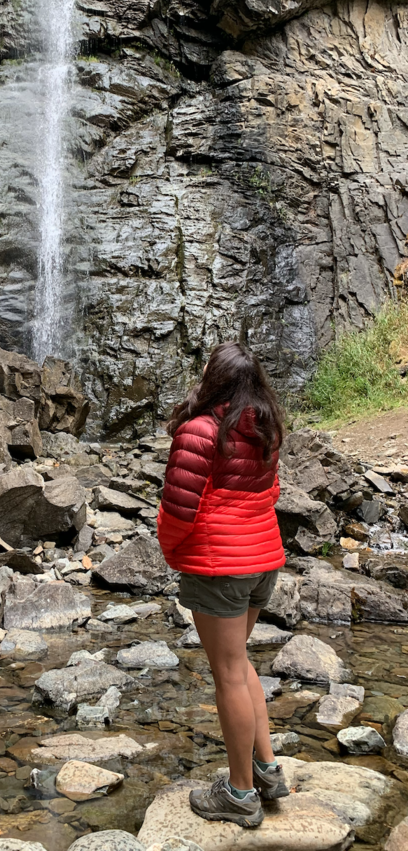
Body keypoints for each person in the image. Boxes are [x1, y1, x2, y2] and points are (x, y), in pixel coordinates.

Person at [156, 341, 289, 828]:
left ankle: (239, 794)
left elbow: (177, 510)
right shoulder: (265, 426)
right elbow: (270, 493)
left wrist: (173, 552)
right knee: (239, 664)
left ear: (214, 378)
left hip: (221, 566)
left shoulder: (200, 430)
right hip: (262, 560)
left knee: (228, 673)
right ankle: (267, 770)